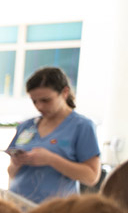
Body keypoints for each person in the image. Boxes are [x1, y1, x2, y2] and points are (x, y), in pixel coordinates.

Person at [6, 66, 100, 204]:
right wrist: (16, 163)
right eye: (34, 101)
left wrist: (51, 159)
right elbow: (12, 174)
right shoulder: (27, 126)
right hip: (17, 206)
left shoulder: (82, 127)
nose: (39, 107)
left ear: (65, 92)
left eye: (46, 100)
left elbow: (91, 177)